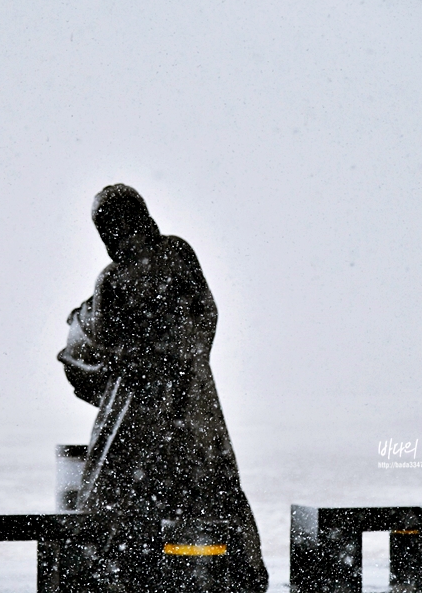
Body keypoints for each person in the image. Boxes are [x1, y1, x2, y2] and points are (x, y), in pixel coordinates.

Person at [58, 184, 269, 592]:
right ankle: (233, 572)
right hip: (190, 397)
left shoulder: (114, 280)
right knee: (210, 483)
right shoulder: (176, 252)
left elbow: (101, 341)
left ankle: (122, 572)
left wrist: (82, 322)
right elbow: (206, 314)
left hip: (138, 404)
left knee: (112, 492)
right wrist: (183, 356)